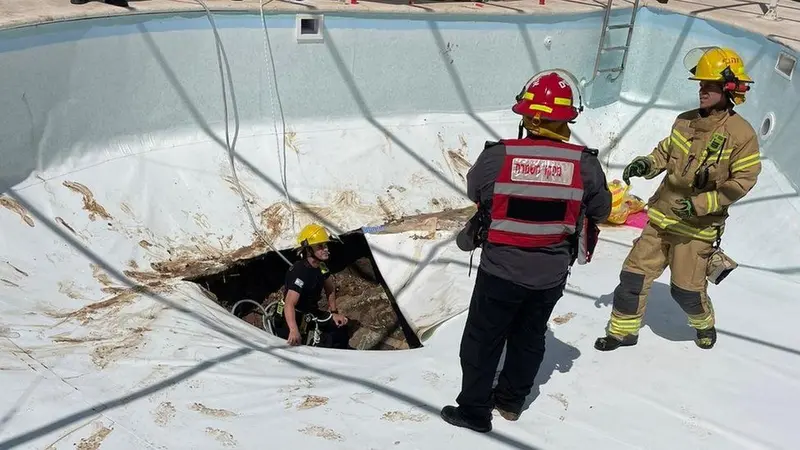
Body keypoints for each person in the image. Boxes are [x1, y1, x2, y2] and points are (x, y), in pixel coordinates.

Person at [441, 70, 612, 433]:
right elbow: (601, 211)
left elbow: (477, 192)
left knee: (482, 339)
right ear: (566, 119)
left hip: (500, 271)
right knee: (530, 336)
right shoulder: (585, 164)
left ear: (528, 116)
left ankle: (473, 410)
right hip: (549, 275)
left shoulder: (498, 156)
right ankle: (511, 402)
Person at [594, 46, 762, 352]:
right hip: (661, 216)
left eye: (709, 86)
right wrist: (646, 164)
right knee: (633, 277)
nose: (702, 91)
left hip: (697, 228)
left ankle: (704, 324)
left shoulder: (742, 135)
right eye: (700, 85)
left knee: (686, 291)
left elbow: (743, 182)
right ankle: (622, 332)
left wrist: (699, 205)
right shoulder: (684, 121)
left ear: (728, 90)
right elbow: (666, 152)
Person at [272, 223, 351, 349]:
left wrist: (334, 312)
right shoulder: (300, 271)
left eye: (325, 245)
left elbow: (330, 289)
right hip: (291, 318)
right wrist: (293, 330)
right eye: (320, 246)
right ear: (309, 250)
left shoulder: (321, 267)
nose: (326, 249)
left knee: (340, 330)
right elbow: (289, 304)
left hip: (309, 312)